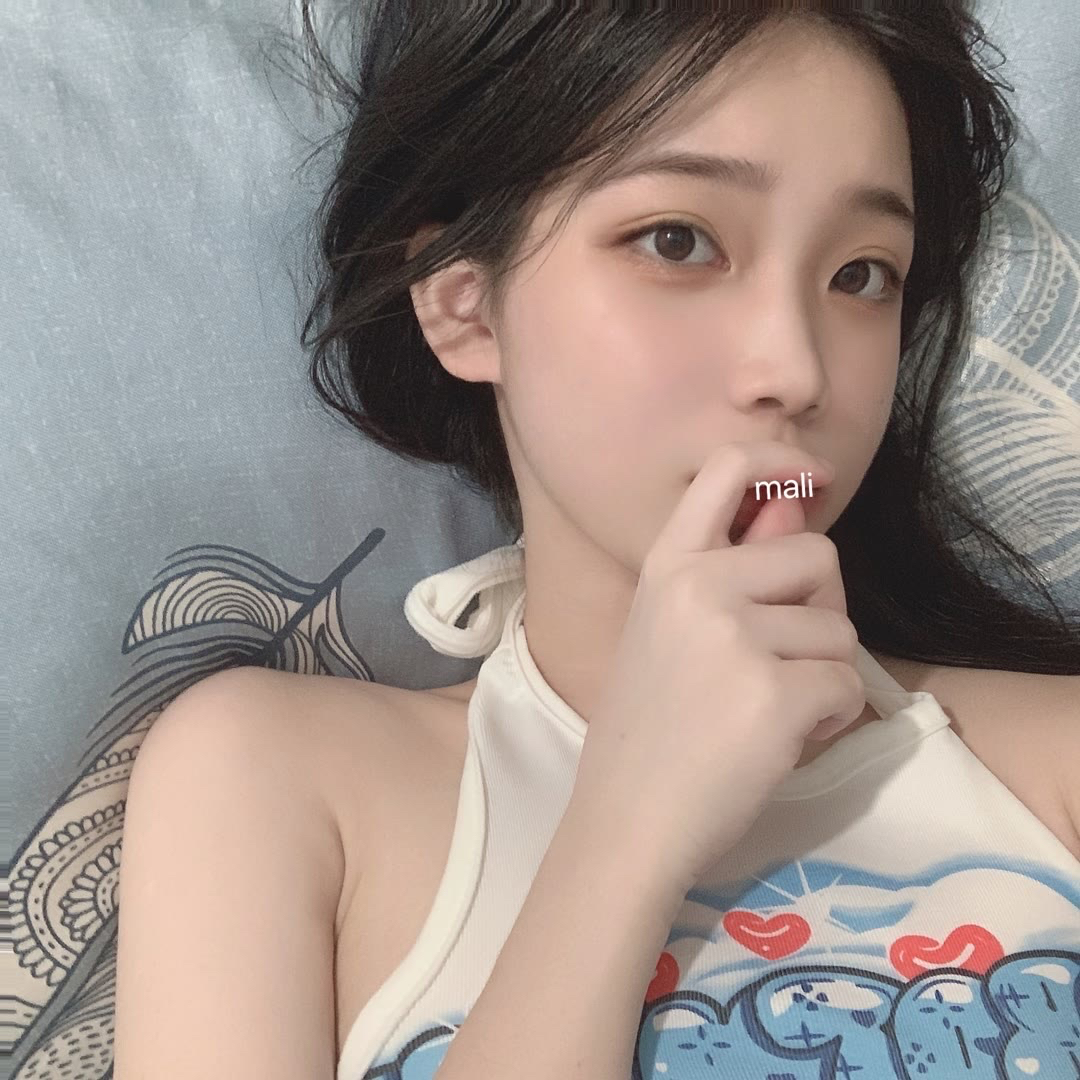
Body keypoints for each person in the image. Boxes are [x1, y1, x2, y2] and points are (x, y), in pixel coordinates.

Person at [113, 4, 1080, 1080]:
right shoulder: (274, 783)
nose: (796, 371)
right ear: (466, 307)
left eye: (860, 274)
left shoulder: (1053, 761)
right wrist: (631, 822)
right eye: (678, 241)